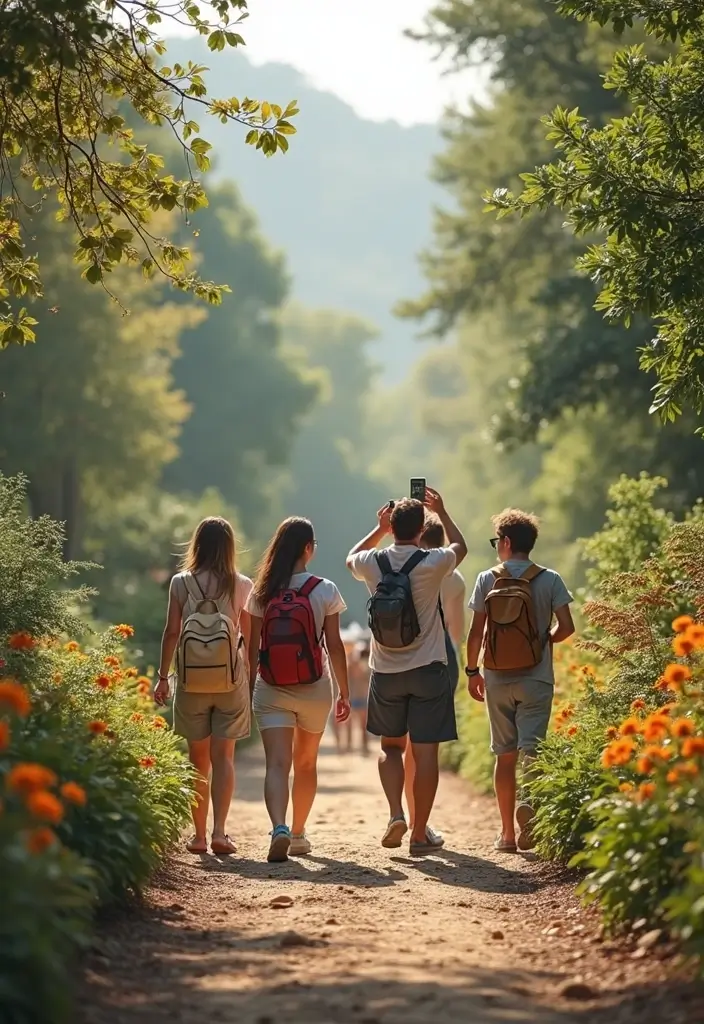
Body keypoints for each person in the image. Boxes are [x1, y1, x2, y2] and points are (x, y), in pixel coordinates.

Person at [346, 489, 467, 855]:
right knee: (426, 753)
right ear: (420, 530)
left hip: (385, 670)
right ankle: (418, 833)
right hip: (429, 668)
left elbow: (349, 556)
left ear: (392, 525)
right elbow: (461, 546)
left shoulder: (373, 562)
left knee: (390, 748)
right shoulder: (433, 562)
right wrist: (443, 512)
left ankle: (396, 813)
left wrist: (378, 529)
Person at [465, 508, 574, 853]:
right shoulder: (550, 579)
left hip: (497, 678)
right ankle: (531, 811)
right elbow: (567, 627)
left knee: (505, 755)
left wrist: (472, 671)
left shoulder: (487, 579)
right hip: (537, 677)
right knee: (533, 751)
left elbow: (475, 632)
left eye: (498, 540)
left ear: (507, 542)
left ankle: (507, 835)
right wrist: (543, 641)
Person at [247, 517, 351, 863]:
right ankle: (297, 833)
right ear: (308, 548)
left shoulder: (262, 590)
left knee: (277, 763)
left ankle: (278, 827)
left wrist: (251, 687)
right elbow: (334, 646)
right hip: (313, 685)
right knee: (306, 763)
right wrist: (344, 692)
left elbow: (252, 647)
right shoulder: (325, 589)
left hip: (271, 685)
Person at [155, 516, 251, 856]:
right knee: (224, 757)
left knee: (198, 760)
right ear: (228, 547)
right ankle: (220, 833)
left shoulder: (181, 583)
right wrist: (250, 681)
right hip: (229, 680)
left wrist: (163, 676)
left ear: (196, 544)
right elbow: (248, 639)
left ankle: (197, 836)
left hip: (192, 681)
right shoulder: (241, 584)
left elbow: (171, 633)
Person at [402, 513, 467, 832]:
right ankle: (420, 825)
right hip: (439, 661)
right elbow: (456, 633)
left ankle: (409, 816)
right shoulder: (452, 578)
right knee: (426, 745)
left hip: (397, 660)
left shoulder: (401, 566)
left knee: (407, 748)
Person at [349, 640, 371, 756]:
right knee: (350, 724)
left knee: (363, 725)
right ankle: (349, 747)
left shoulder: (367, 666)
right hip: (354, 698)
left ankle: (364, 747)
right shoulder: (351, 666)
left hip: (362, 698)